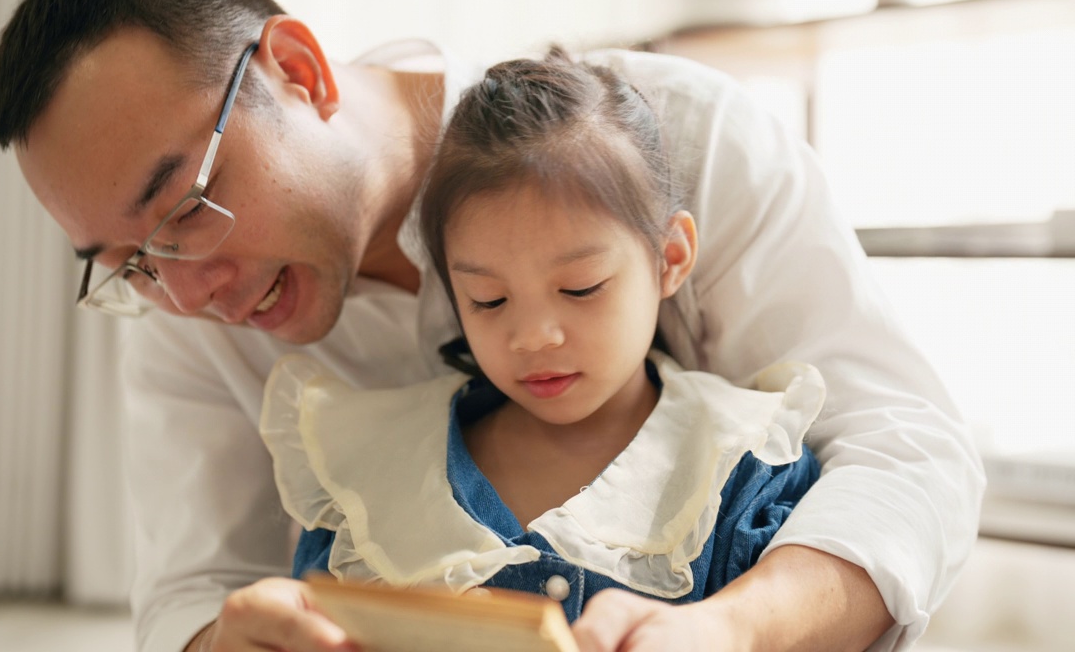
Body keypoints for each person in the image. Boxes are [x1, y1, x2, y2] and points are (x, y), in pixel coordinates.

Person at [0, 0, 985, 652]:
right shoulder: (182, 305)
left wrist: (729, 628)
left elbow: (905, 446)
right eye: (127, 263)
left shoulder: (676, 141)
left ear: (296, 71)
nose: (188, 289)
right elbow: (191, 591)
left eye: (188, 204)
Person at [259, 49, 825, 630]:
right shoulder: (366, 475)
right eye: (489, 300)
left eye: (580, 288)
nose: (532, 337)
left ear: (669, 257)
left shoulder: (746, 464)